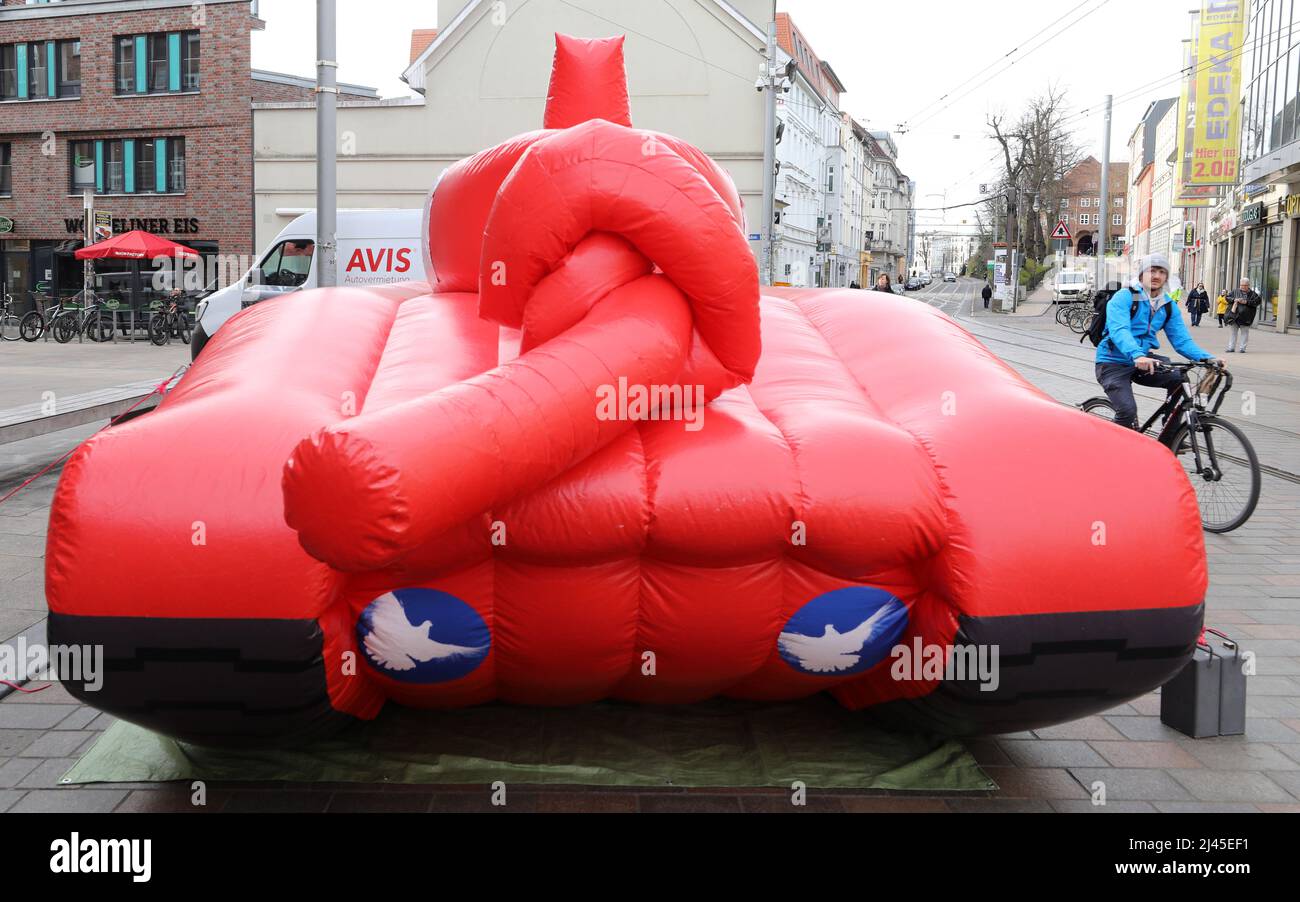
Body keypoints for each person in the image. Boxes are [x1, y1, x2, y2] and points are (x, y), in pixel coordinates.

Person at [1094, 253, 1221, 431]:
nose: (1156, 276)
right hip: (1113, 361)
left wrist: (1208, 358)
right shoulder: (1125, 296)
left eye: (1161, 272)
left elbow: (1182, 341)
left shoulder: (1168, 305)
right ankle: (1113, 450)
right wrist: (1137, 355)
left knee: (1179, 379)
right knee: (1127, 411)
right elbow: (1119, 330)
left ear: (1166, 277)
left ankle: (1171, 433)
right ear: (1141, 275)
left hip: (1144, 361)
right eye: (1151, 271)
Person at [1226, 277, 1262, 354]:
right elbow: (1227, 298)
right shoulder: (1235, 291)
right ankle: (1231, 348)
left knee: (1244, 333)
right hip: (1234, 316)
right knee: (1233, 333)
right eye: (1241, 285)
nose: (1242, 287)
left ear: (1248, 285)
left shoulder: (1253, 294)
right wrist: (1234, 300)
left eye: (1244, 285)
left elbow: (1257, 302)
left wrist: (1246, 302)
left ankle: (1242, 348)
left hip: (1246, 316)